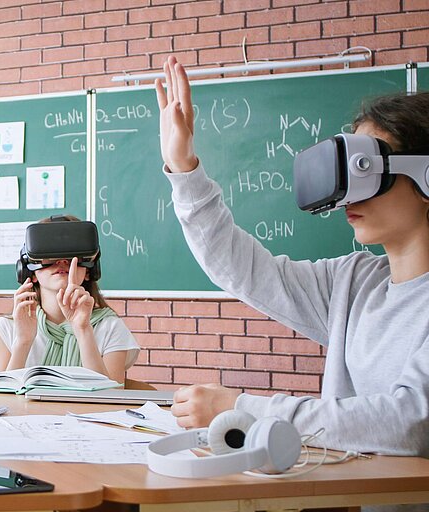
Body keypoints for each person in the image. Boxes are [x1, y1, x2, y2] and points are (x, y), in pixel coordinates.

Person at [156, 55, 429, 460]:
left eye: (366, 170)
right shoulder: (353, 282)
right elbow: (240, 269)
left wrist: (244, 409)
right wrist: (183, 168)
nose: (348, 197)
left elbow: (409, 425)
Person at [0, 217, 139, 384]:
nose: (62, 262)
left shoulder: (109, 326)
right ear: (30, 271)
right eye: (49, 254)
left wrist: (83, 331)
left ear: (90, 270)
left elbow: (111, 395)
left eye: (73, 255)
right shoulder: (5, 328)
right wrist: (23, 341)